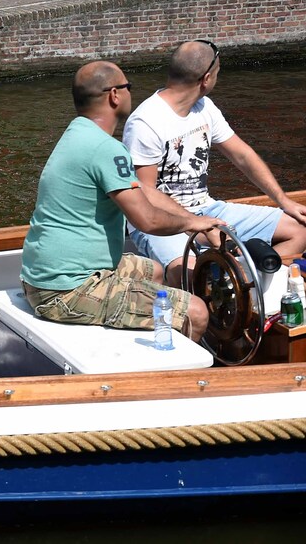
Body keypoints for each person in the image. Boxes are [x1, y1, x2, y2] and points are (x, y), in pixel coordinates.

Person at [21, 61, 224, 341]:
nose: (132, 94)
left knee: (152, 270)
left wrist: (196, 224)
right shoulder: (107, 149)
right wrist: (192, 222)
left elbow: (144, 190)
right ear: (114, 95)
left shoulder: (77, 135)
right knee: (196, 312)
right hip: (65, 290)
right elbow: (147, 220)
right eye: (129, 87)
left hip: (47, 276)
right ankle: (184, 381)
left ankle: (148, 354)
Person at [123, 39, 306, 284]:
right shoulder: (146, 122)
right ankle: (227, 276)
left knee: (298, 231)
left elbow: (242, 155)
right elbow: (145, 193)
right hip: (161, 222)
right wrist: (196, 225)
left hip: (207, 209)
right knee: (188, 275)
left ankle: (237, 276)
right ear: (206, 78)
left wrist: (283, 201)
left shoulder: (204, 107)